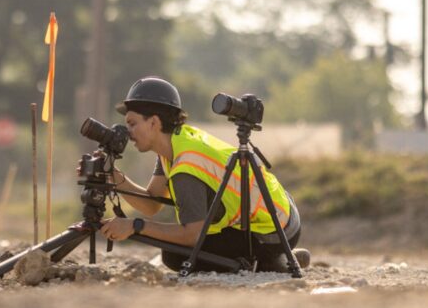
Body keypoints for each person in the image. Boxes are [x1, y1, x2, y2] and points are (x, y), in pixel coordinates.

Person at [97, 76, 310, 273]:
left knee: (174, 254)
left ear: (154, 122)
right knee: (175, 247)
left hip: (274, 230)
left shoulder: (186, 166)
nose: (128, 133)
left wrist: (134, 226)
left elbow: (191, 236)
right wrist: (114, 176)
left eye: (132, 124)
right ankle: (280, 259)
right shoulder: (176, 144)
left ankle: (272, 262)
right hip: (281, 214)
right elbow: (152, 204)